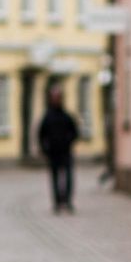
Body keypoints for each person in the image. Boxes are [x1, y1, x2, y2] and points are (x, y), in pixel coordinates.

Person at [37, 85, 79, 213]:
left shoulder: (66, 116)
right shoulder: (48, 117)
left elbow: (75, 132)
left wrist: (68, 141)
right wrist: (44, 148)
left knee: (68, 178)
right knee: (54, 178)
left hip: (66, 152)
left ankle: (67, 201)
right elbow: (41, 134)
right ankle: (57, 202)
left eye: (58, 97)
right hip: (53, 153)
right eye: (54, 97)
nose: (56, 100)